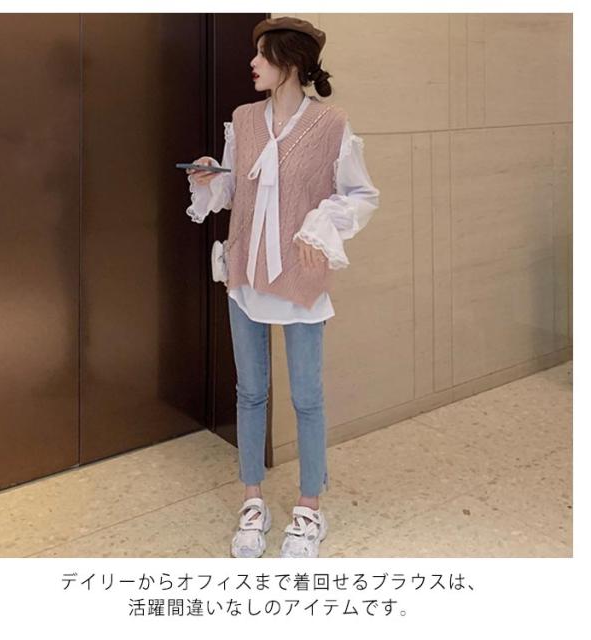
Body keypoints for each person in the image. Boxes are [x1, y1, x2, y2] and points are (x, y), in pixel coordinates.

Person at [186, 17, 380, 558]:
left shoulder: (332, 125)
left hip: (300, 278)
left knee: (307, 397)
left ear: (289, 62)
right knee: (250, 392)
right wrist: (212, 175)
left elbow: (360, 195)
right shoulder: (243, 119)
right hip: (245, 274)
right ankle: (253, 501)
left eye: (262, 55)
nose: (252, 63)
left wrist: (322, 225)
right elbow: (235, 189)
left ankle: (308, 507)